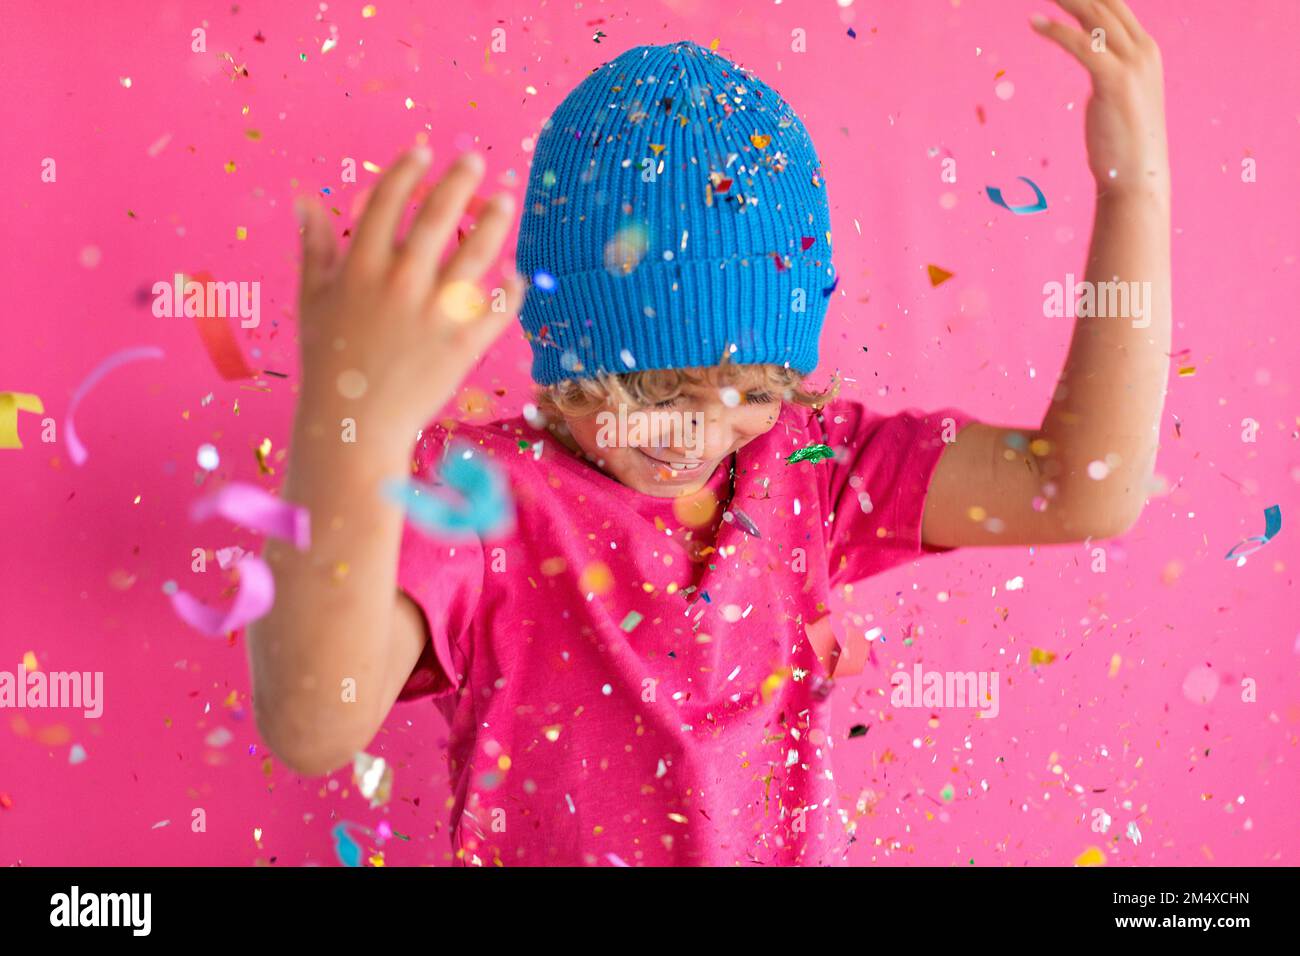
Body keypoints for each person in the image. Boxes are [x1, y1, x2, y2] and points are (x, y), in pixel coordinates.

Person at [250, 0, 1170, 865]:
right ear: (565, 357)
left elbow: (1085, 486)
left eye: (756, 390)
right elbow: (311, 725)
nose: (699, 431)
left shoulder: (810, 467)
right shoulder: (478, 501)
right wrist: (354, 427)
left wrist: (1135, 194)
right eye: (653, 389)